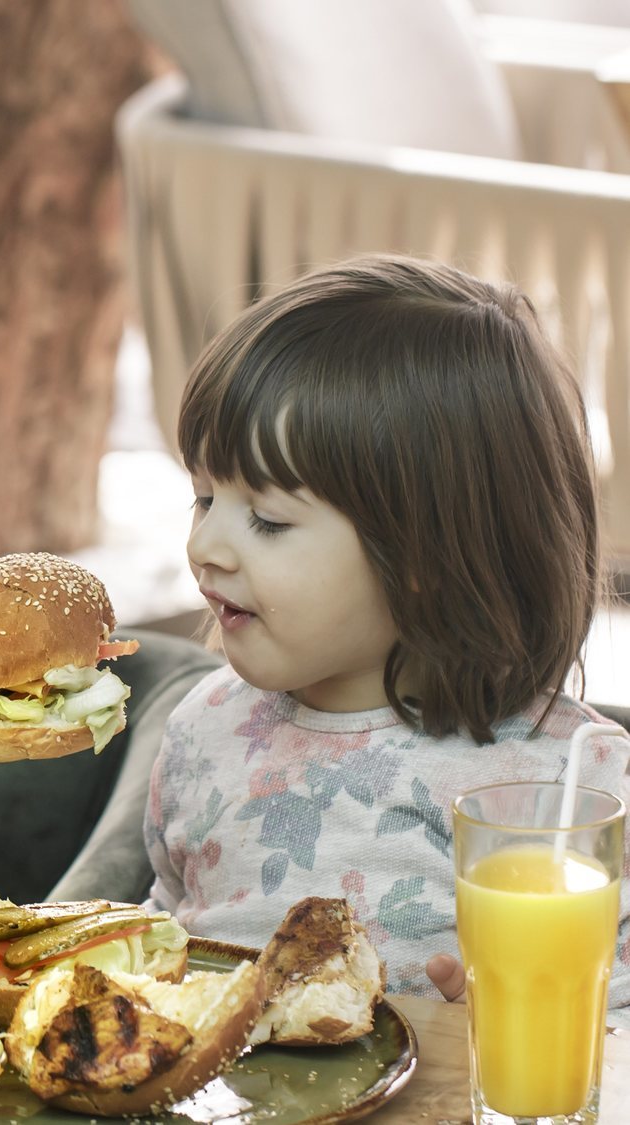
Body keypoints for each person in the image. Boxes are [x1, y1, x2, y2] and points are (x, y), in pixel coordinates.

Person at [142, 254, 630, 1014]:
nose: (206, 545)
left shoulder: (575, 788)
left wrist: (534, 1013)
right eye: (204, 496)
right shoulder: (202, 733)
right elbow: (160, 945)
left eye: (267, 519)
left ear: (423, 558)